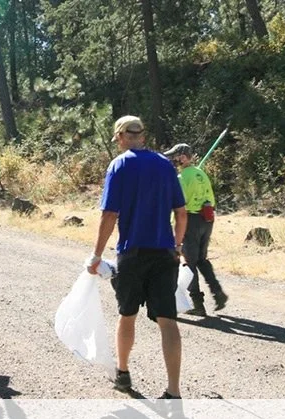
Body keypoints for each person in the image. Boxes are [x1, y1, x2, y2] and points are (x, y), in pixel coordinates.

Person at [87, 115, 188, 399]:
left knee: (127, 315)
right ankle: (174, 391)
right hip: (164, 253)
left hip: (132, 253)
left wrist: (96, 255)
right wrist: (177, 246)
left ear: (120, 137)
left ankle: (122, 372)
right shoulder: (165, 166)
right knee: (168, 320)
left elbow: (109, 214)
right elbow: (181, 213)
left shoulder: (119, 165)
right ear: (142, 135)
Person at [164, 143, 228, 316]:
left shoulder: (182, 178)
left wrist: (173, 225)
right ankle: (218, 293)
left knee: (188, 263)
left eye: (175, 157)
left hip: (191, 220)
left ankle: (198, 305)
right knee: (201, 259)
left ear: (183, 157)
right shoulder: (201, 174)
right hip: (207, 219)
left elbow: (179, 205)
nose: (173, 161)